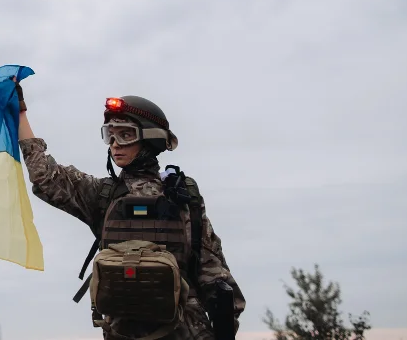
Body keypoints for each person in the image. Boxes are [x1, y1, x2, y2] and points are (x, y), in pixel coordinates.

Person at [14, 82, 246, 339]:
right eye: (110, 135)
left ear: (150, 138)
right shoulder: (103, 195)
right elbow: (46, 176)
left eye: (126, 134)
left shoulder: (183, 198)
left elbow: (215, 279)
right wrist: (20, 113)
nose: (114, 144)